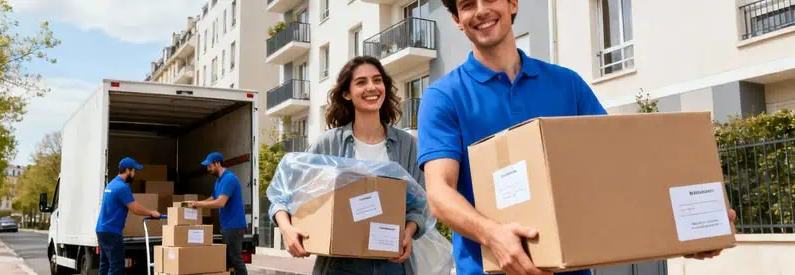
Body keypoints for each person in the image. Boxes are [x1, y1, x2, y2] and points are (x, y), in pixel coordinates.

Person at [418, 1, 738, 275]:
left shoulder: (566, 84)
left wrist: (687, 229)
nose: (481, 11)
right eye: (467, 5)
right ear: (457, 21)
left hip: (571, 267)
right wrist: (493, 236)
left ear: (513, 3)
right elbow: (439, 193)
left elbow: (618, 167)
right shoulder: (444, 96)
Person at [269, 56, 428, 275]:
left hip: (392, 264)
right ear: (346, 93)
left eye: (377, 80)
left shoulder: (407, 145)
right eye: (361, 82)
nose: (371, 87)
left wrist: (408, 232)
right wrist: (287, 229)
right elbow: (283, 195)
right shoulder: (328, 144)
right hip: (339, 265)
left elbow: (420, 205)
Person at [96, 157, 162, 275]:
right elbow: (135, 208)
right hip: (112, 232)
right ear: (127, 170)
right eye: (134, 170)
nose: (135, 173)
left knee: (105, 266)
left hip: (102, 230)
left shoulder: (111, 184)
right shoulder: (122, 187)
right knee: (116, 267)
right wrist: (152, 212)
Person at [185, 152, 248, 275]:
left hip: (234, 225)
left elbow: (220, 202)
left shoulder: (229, 179)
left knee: (236, 260)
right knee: (228, 261)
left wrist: (199, 205)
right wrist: (196, 203)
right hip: (226, 226)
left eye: (209, 166)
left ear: (217, 163)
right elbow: (213, 198)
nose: (208, 169)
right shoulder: (219, 181)